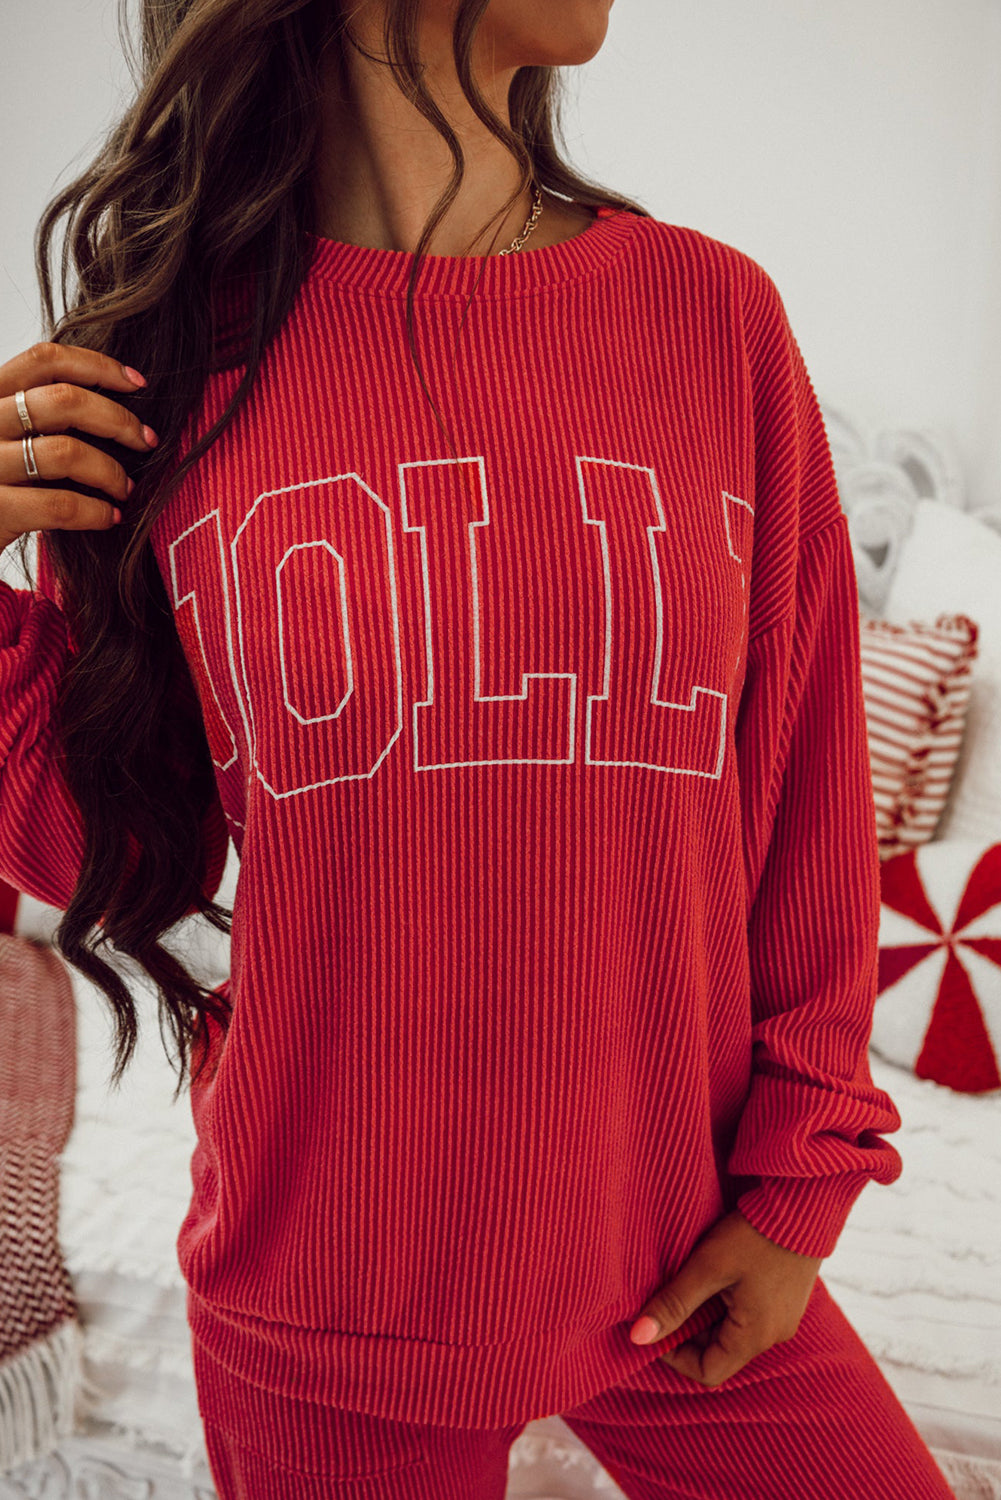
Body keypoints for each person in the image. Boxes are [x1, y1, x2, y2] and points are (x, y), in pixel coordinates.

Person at [0, 2, 958, 1496]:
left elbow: (806, 800)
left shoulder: (711, 319)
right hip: (324, 1304)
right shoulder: (158, 370)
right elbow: (112, 854)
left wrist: (797, 1194)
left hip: (686, 1259)